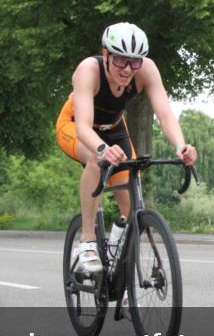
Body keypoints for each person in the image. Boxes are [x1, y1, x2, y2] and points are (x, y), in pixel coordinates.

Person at [55, 22, 197, 282]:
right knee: (97, 160)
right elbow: (85, 127)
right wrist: (102, 149)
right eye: (120, 60)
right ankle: (87, 242)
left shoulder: (147, 70)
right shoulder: (88, 70)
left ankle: (116, 248)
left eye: (134, 62)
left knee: (131, 204)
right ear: (106, 54)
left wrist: (181, 146)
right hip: (76, 125)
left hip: (115, 128)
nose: (127, 69)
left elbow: (165, 115)